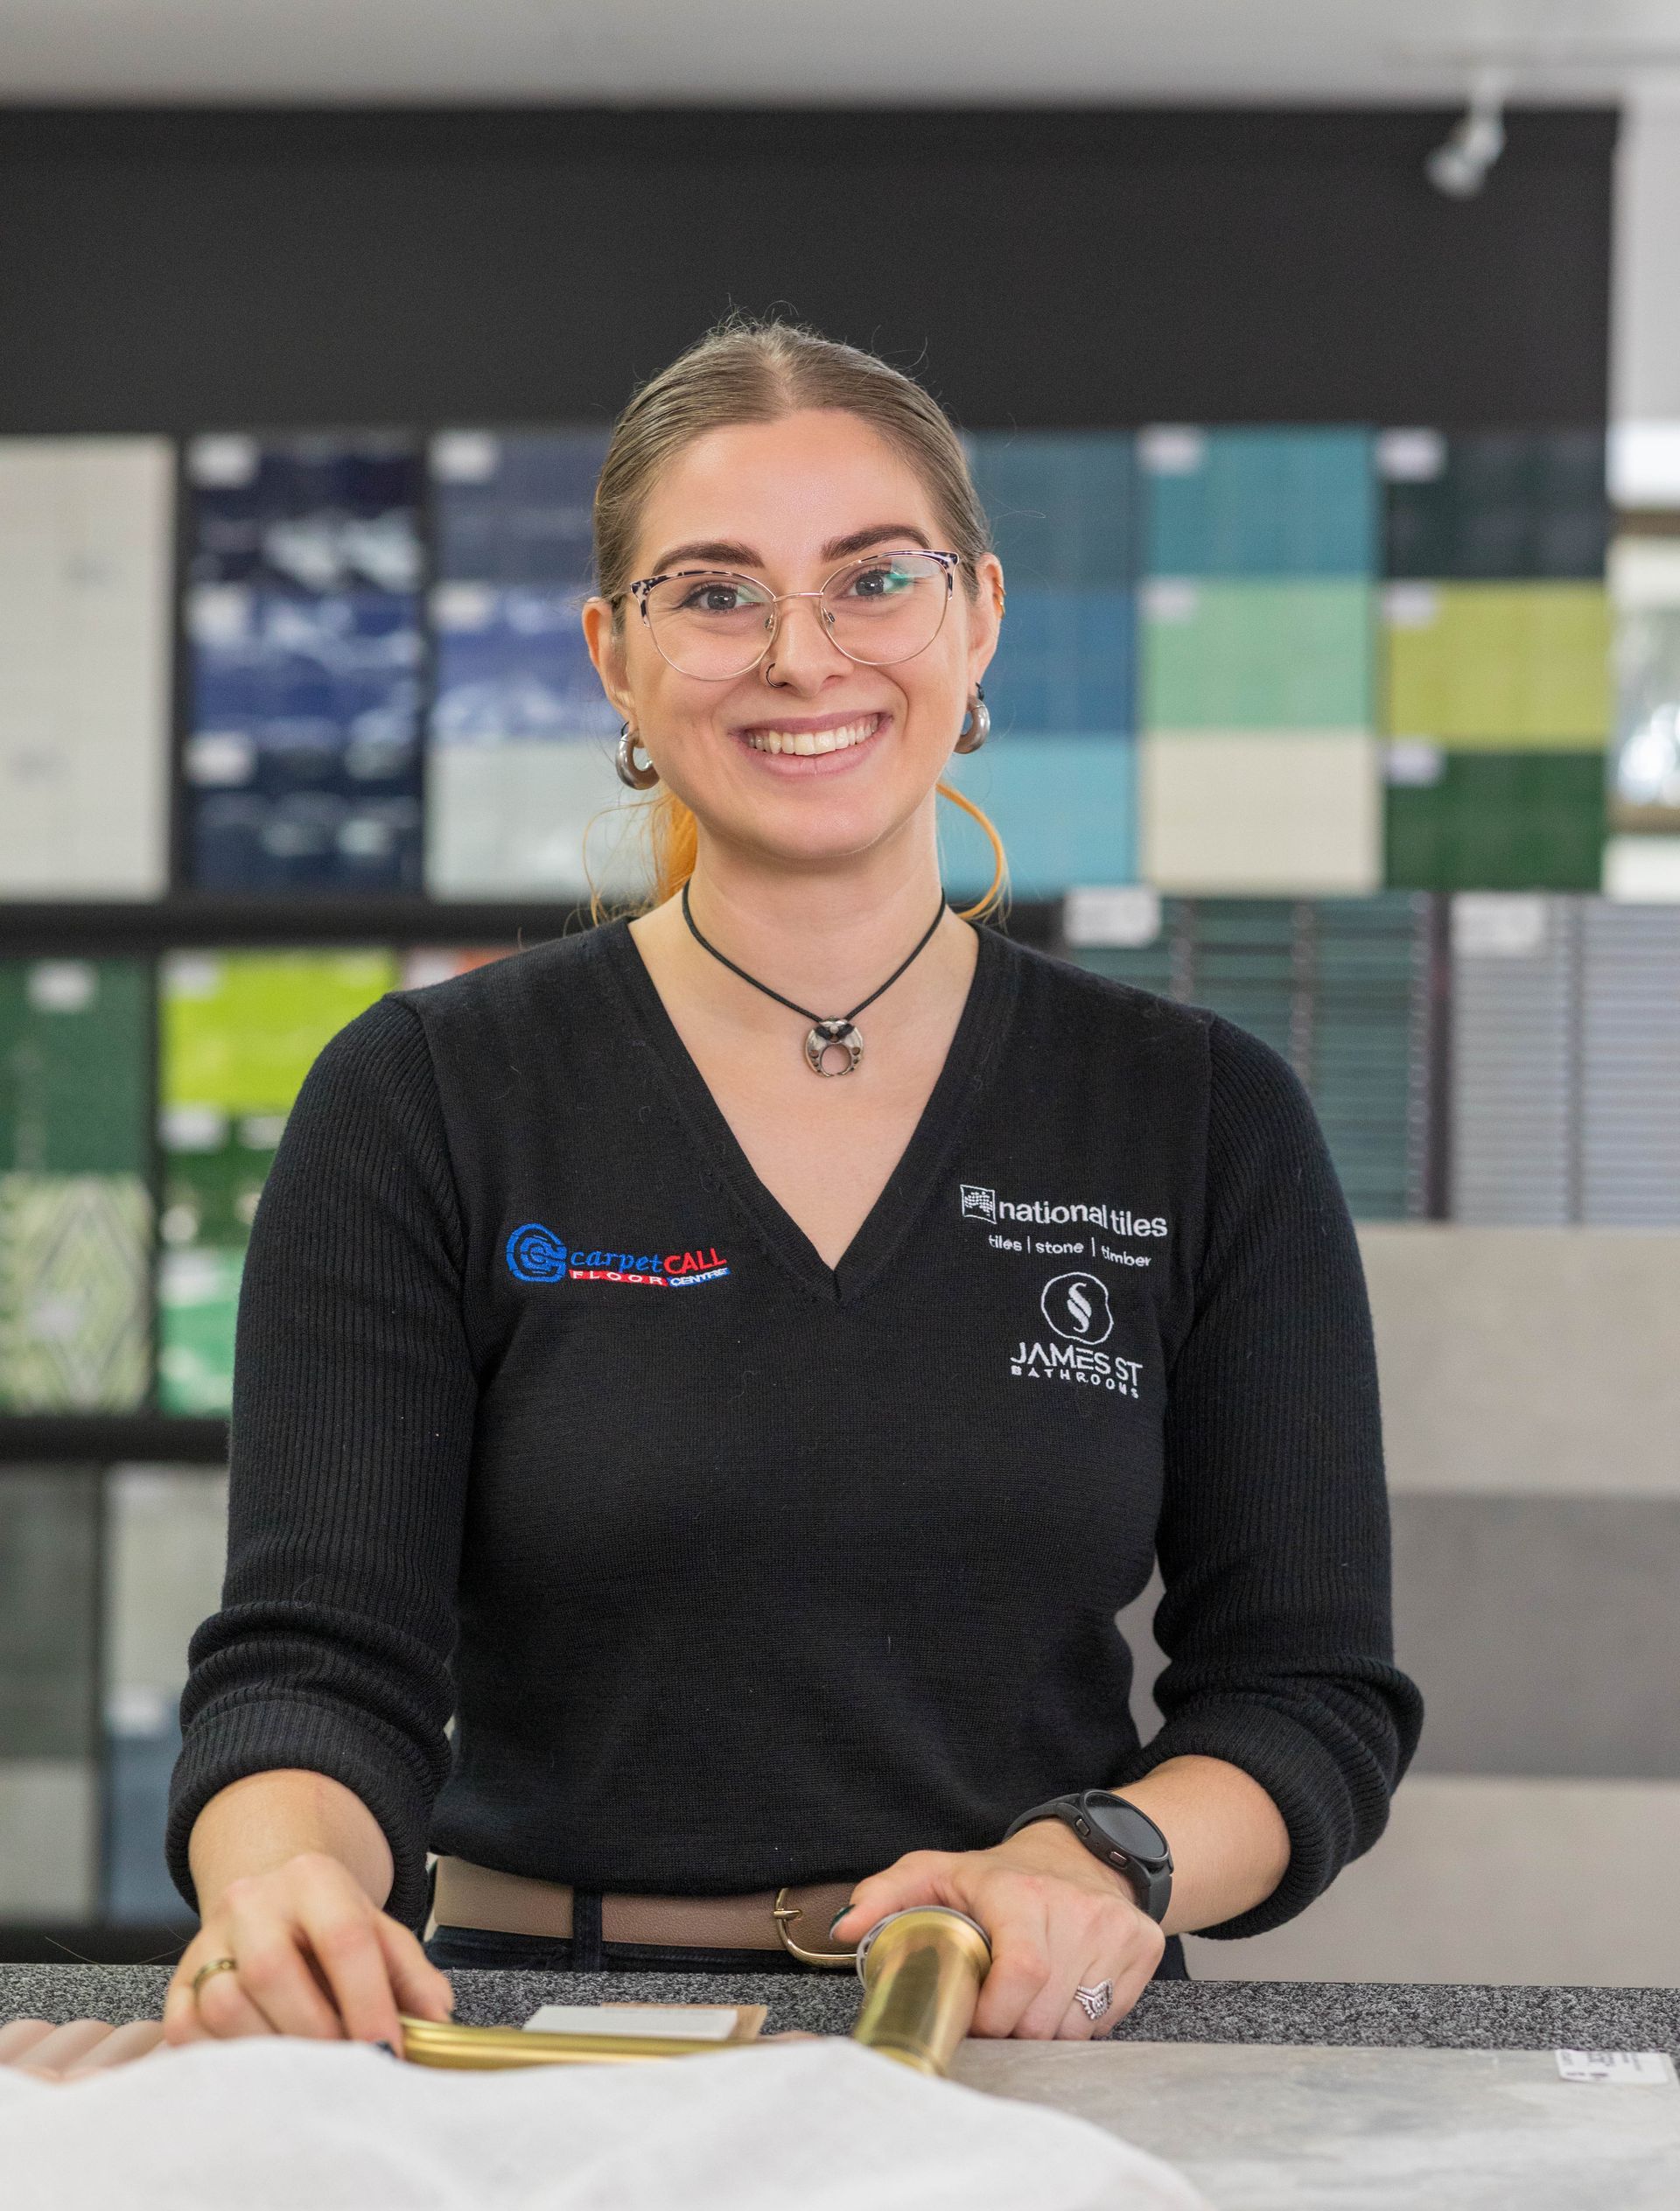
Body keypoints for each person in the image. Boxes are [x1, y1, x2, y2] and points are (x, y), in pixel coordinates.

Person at [160, 316, 1422, 2055]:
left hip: (1016, 2057)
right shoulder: (424, 1098)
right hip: (534, 2051)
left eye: (874, 579)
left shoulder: (1201, 1116)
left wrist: (1108, 1849)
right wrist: (279, 1875)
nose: (803, 655)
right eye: (716, 591)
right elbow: (313, 1658)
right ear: (615, 655)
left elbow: (1306, 1696)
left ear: (977, 617)